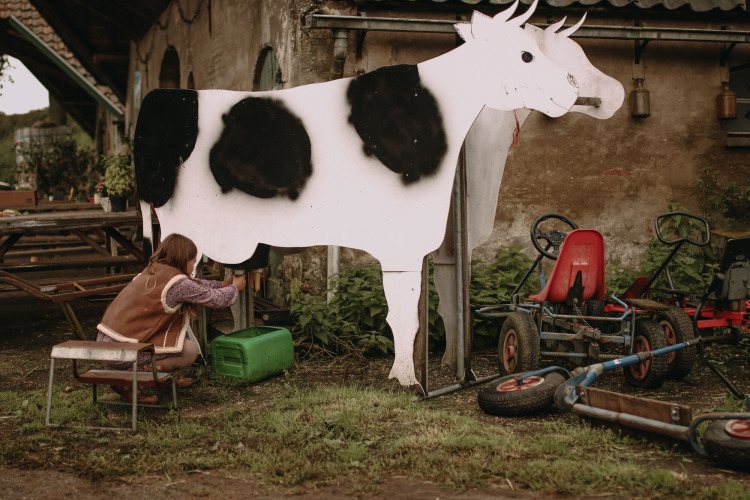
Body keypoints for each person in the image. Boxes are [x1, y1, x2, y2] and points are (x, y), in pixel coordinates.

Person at [96, 233, 246, 403]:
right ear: (183, 259)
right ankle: (131, 379)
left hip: (108, 340)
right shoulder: (178, 284)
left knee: (180, 341)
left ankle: (156, 378)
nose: (193, 265)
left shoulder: (153, 270)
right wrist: (235, 287)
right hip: (122, 349)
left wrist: (222, 284)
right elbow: (214, 299)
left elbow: (196, 285)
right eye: (193, 261)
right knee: (188, 351)